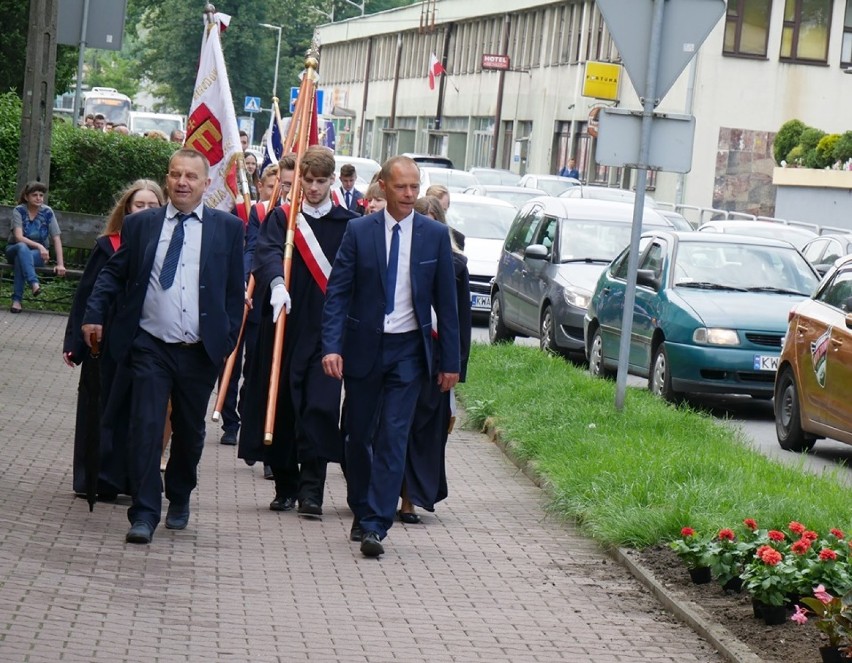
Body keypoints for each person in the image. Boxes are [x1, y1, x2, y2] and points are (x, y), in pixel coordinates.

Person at [81, 148, 245, 545]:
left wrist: (223, 343)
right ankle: (144, 513)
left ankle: (181, 492)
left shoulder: (227, 228)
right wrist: (94, 314)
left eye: (191, 176)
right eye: (175, 175)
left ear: (207, 184)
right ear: (167, 179)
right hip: (150, 345)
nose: (182, 182)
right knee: (146, 427)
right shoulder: (143, 225)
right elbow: (113, 274)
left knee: (189, 434)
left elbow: (232, 293)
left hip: (199, 350)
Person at [321, 155, 460, 557]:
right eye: (401, 187)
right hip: (365, 348)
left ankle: (377, 524)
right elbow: (338, 293)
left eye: (415, 187)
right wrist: (332, 346)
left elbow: (447, 305)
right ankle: (362, 508)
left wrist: (450, 362)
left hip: (408, 352)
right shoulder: (359, 232)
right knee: (358, 435)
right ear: (382, 185)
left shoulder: (433, 236)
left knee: (393, 436)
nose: (409, 194)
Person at [243, 146, 357, 516]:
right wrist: (275, 283)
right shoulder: (282, 219)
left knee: (320, 407)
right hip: (286, 326)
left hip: (327, 331)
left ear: (332, 181)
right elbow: (267, 252)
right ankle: (285, 484)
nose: (313, 188)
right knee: (285, 405)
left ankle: (312, 490)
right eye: (307, 181)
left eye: (321, 181)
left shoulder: (349, 224)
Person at [63, 179, 165, 498]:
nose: (145, 211)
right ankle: (97, 477)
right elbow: (87, 295)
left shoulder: (170, 247)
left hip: (147, 338)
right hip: (106, 339)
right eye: (139, 205)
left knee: (138, 412)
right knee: (103, 407)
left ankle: (133, 479)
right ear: (127, 209)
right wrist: (75, 343)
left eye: (152, 206)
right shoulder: (109, 244)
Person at [399, 195, 471, 523]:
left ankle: (412, 497)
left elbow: (460, 320)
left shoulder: (455, 266)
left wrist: (455, 366)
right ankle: (393, 492)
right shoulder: (396, 256)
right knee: (396, 425)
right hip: (402, 350)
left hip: (435, 357)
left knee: (425, 429)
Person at [238, 155, 296, 481]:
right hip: (267, 304)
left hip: (302, 312)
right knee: (260, 375)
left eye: (290, 184)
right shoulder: (269, 214)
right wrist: (250, 277)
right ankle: (264, 443)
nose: (288, 190)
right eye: (283, 185)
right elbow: (255, 249)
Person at [6, 181, 66, 313]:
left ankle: (17, 301)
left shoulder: (47, 212)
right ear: (26, 197)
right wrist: (40, 246)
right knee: (22, 247)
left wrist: (60, 264)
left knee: (21, 260)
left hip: (36, 255)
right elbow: (18, 237)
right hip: (14, 249)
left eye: (41, 195)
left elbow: (56, 238)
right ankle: (34, 282)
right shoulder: (19, 211)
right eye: (34, 195)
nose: (38, 198)